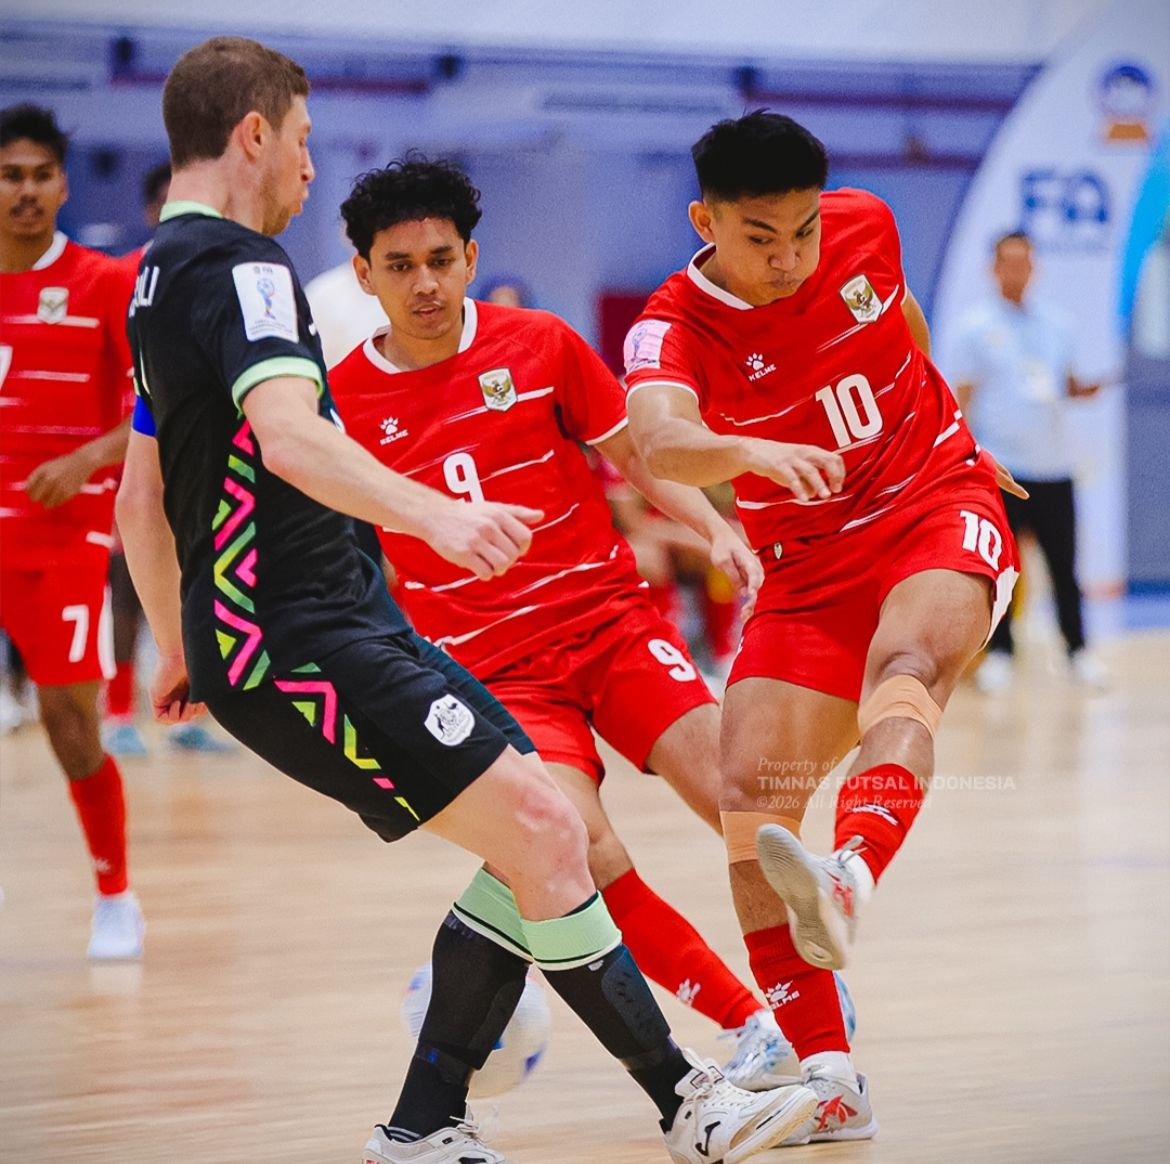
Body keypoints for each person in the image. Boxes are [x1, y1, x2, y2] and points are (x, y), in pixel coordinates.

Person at [116, 38, 816, 1164]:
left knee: (538, 835)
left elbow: (143, 501)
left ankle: (431, 1119)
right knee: (552, 834)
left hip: (351, 629)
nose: (305, 166)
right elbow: (288, 441)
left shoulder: (155, 276)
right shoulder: (248, 276)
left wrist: (178, 638)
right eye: (299, 141)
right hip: (310, 637)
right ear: (253, 136)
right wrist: (436, 519)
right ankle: (700, 1085)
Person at [329, 157, 843, 1090]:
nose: (426, 283)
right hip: (492, 675)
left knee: (745, 792)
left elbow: (636, 459)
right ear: (362, 271)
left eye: (442, 259)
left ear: (472, 256)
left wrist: (715, 527)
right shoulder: (337, 406)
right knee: (583, 848)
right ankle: (756, 1028)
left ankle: (819, 1007)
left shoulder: (542, 343)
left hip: (609, 624)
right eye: (400, 265)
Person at [622, 111, 1023, 1143]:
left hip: (934, 498)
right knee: (750, 797)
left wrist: (962, 438)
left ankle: (853, 867)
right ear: (704, 219)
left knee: (907, 661)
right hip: (807, 564)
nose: (791, 257)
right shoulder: (671, 322)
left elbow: (903, 324)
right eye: (762, 237)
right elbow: (663, 440)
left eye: (803, 230)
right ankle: (830, 1077)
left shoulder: (866, 223)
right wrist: (748, 454)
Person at [0, 102, 144, 959]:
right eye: (8, 175)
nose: (23, 191)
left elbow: (157, 409)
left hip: (62, 541)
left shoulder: (101, 282)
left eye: (37, 175)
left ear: (60, 183)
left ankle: (115, 893)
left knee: (68, 720)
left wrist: (87, 458)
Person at [104, 160, 236, 755]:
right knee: (126, 593)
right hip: (127, 450)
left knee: (187, 583)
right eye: (162, 201)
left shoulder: (216, 275)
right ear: (149, 209)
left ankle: (186, 715)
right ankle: (116, 714)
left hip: (187, 454)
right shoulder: (123, 275)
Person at [949, 230, 1106, 691]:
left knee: (1064, 566)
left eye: (1025, 262)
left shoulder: (1058, 324)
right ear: (994, 268)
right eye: (1008, 263)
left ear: (1034, 267)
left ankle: (1077, 651)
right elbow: (963, 400)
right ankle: (999, 653)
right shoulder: (974, 327)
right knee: (1001, 569)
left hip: (1054, 466)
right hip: (1003, 467)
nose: (1017, 271)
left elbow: (1067, 382)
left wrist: (1083, 391)